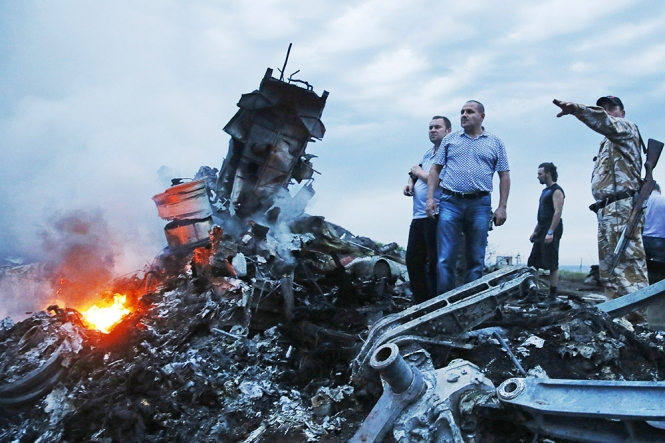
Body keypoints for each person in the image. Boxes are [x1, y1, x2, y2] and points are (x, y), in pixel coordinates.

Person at [553, 96, 648, 299]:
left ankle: (636, 317)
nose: (607, 112)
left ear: (622, 113)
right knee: (610, 268)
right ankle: (619, 318)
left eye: (612, 108)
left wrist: (576, 109)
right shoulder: (607, 142)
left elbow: (604, 121)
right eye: (602, 108)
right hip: (606, 209)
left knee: (627, 263)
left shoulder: (627, 128)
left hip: (622, 206)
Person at [425, 100, 510, 294]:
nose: (464, 115)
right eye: (462, 112)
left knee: (476, 258)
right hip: (450, 202)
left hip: (480, 204)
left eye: (469, 112)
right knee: (445, 258)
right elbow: (435, 169)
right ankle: (443, 304)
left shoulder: (495, 142)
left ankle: (470, 302)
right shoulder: (450, 140)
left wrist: (502, 206)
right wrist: (430, 199)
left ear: (481, 117)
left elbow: (504, 175)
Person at [404, 116, 452, 303]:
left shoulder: (449, 153)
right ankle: (420, 302)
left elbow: (439, 180)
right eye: (430, 127)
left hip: (436, 214)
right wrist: (410, 182)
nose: (433, 130)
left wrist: (417, 172)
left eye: (437, 127)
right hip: (418, 215)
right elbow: (415, 171)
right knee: (413, 260)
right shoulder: (428, 153)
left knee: (434, 262)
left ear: (448, 131)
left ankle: (435, 302)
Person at [527, 162, 565, 305]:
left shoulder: (557, 191)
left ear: (548, 174)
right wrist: (535, 231)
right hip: (542, 227)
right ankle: (532, 293)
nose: (538, 177)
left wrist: (551, 232)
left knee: (552, 262)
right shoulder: (545, 191)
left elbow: (557, 213)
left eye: (540, 174)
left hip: (551, 228)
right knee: (532, 263)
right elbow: (542, 214)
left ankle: (552, 296)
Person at [644, 182, 665, 329]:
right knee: (660, 286)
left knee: (645, 285)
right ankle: (659, 324)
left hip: (642, 244)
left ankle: (647, 321)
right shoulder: (662, 201)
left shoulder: (640, 203)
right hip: (660, 245)